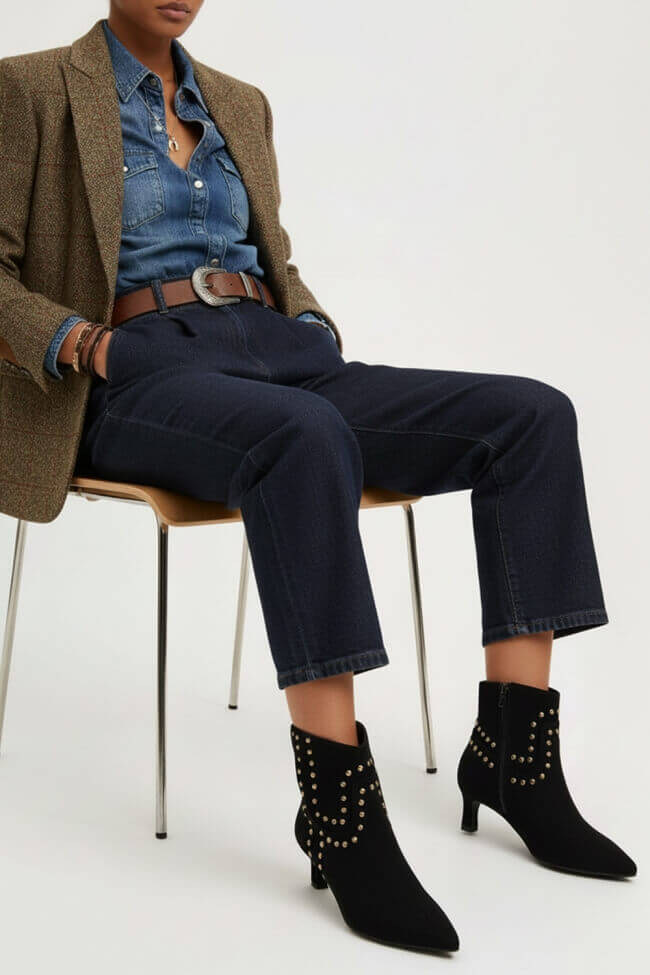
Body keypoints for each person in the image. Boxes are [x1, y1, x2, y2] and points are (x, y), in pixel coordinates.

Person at [0, 0, 637, 956]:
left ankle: (518, 758)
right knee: (303, 438)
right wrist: (87, 344)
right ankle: (339, 809)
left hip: (277, 350)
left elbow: (275, 254)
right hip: (136, 370)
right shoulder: (31, 88)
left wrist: (307, 324)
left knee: (531, 416)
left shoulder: (239, 102)